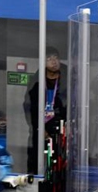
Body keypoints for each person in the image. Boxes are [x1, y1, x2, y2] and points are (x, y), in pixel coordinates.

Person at [25, 46, 67, 174]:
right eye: (49, 59)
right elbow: (29, 107)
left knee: (58, 164)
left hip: (61, 129)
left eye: (56, 58)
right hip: (41, 128)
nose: (54, 61)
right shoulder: (36, 81)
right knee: (36, 159)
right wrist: (39, 129)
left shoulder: (67, 80)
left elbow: (74, 105)